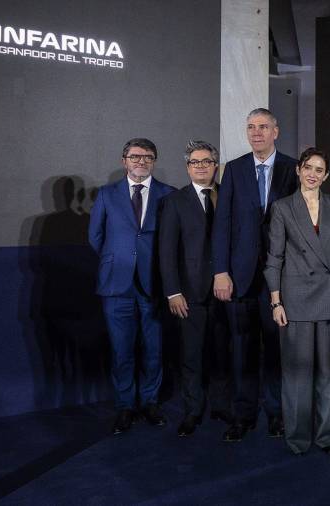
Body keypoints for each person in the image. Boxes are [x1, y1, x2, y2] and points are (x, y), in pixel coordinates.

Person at [212, 108, 298, 441]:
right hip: (240, 277)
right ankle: (243, 414)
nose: (256, 132)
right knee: (242, 348)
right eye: (251, 127)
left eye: (263, 127)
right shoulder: (233, 170)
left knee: (277, 349)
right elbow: (222, 225)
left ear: (276, 131)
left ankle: (277, 413)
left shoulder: (293, 168)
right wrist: (221, 270)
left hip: (280, 279)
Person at [263, 147, 330, 455]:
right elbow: (274, 257)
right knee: (297, 373)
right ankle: (298, 438)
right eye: (309, 167)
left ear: (325, 176)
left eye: (319, 169)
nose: (313, 174)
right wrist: (276, 301)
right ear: (299, 170)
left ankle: (328, 435)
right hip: (295, 297)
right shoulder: (282, 208)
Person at [88, 138, 175, 434]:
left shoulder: (168, 195)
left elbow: (172, 241)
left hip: (154, 284)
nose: (141, 161)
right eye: (135, 156)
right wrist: (119, 261)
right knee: (121, 350)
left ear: (154, 161)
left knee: (153, 349)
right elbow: (95, 237)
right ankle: (125, 405)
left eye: (148, 156)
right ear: (124, 160)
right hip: (116, 284)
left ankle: (150, 402)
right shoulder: (106, 194)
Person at [158, 140, 232, 437]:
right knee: (191, 356)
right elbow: (166, 251)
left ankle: (221, 405)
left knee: (222, 354)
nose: (200, 166)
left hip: (226, 291)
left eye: (206, 161)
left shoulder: (228, 196)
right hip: (189, 293)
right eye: (194, 162)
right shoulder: (175, 201)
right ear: (187, 167)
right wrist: (173, 291)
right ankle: (192, 410)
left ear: (216, 165)